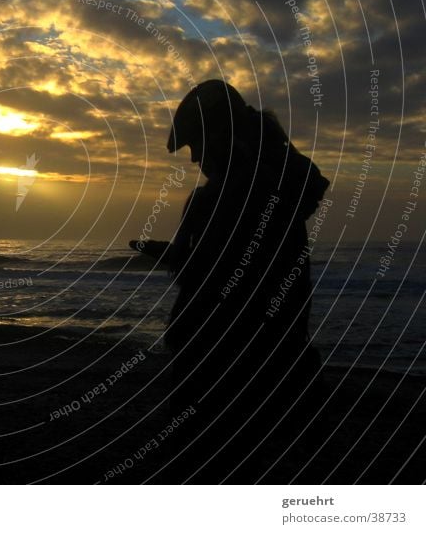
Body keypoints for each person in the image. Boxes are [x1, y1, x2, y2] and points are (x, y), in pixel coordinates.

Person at [130, 79, 330, 481]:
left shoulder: (226, 197)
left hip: (219, 369)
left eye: (196, 145)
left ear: (221, 136)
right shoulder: (275, 191)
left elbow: (213, 276)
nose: (193, 159)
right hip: (269, 362)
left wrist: (171, 252)